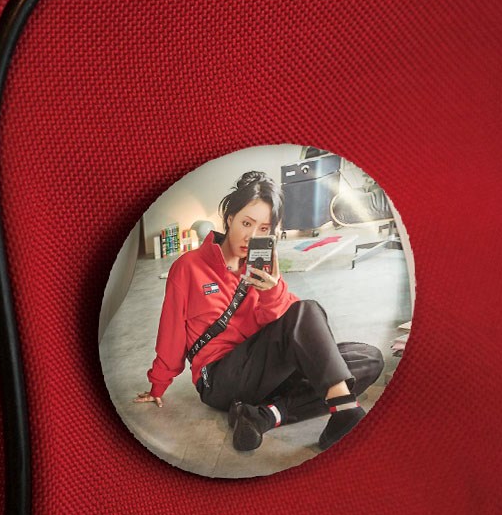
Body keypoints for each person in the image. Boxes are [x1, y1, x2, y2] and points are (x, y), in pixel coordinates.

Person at [134, 171, 384, 452]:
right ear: (230, 219)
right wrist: (157, 385)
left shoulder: (262, 269)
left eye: (263, 228)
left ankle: (264, 416)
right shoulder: (188, 267)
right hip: (220, 378)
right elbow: (171, 336)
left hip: (265, 373)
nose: (252, 235)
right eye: (246, 223)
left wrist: (272, 291)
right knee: (306, 311)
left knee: (368, 359)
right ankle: (345, 409)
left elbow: (291, 328)